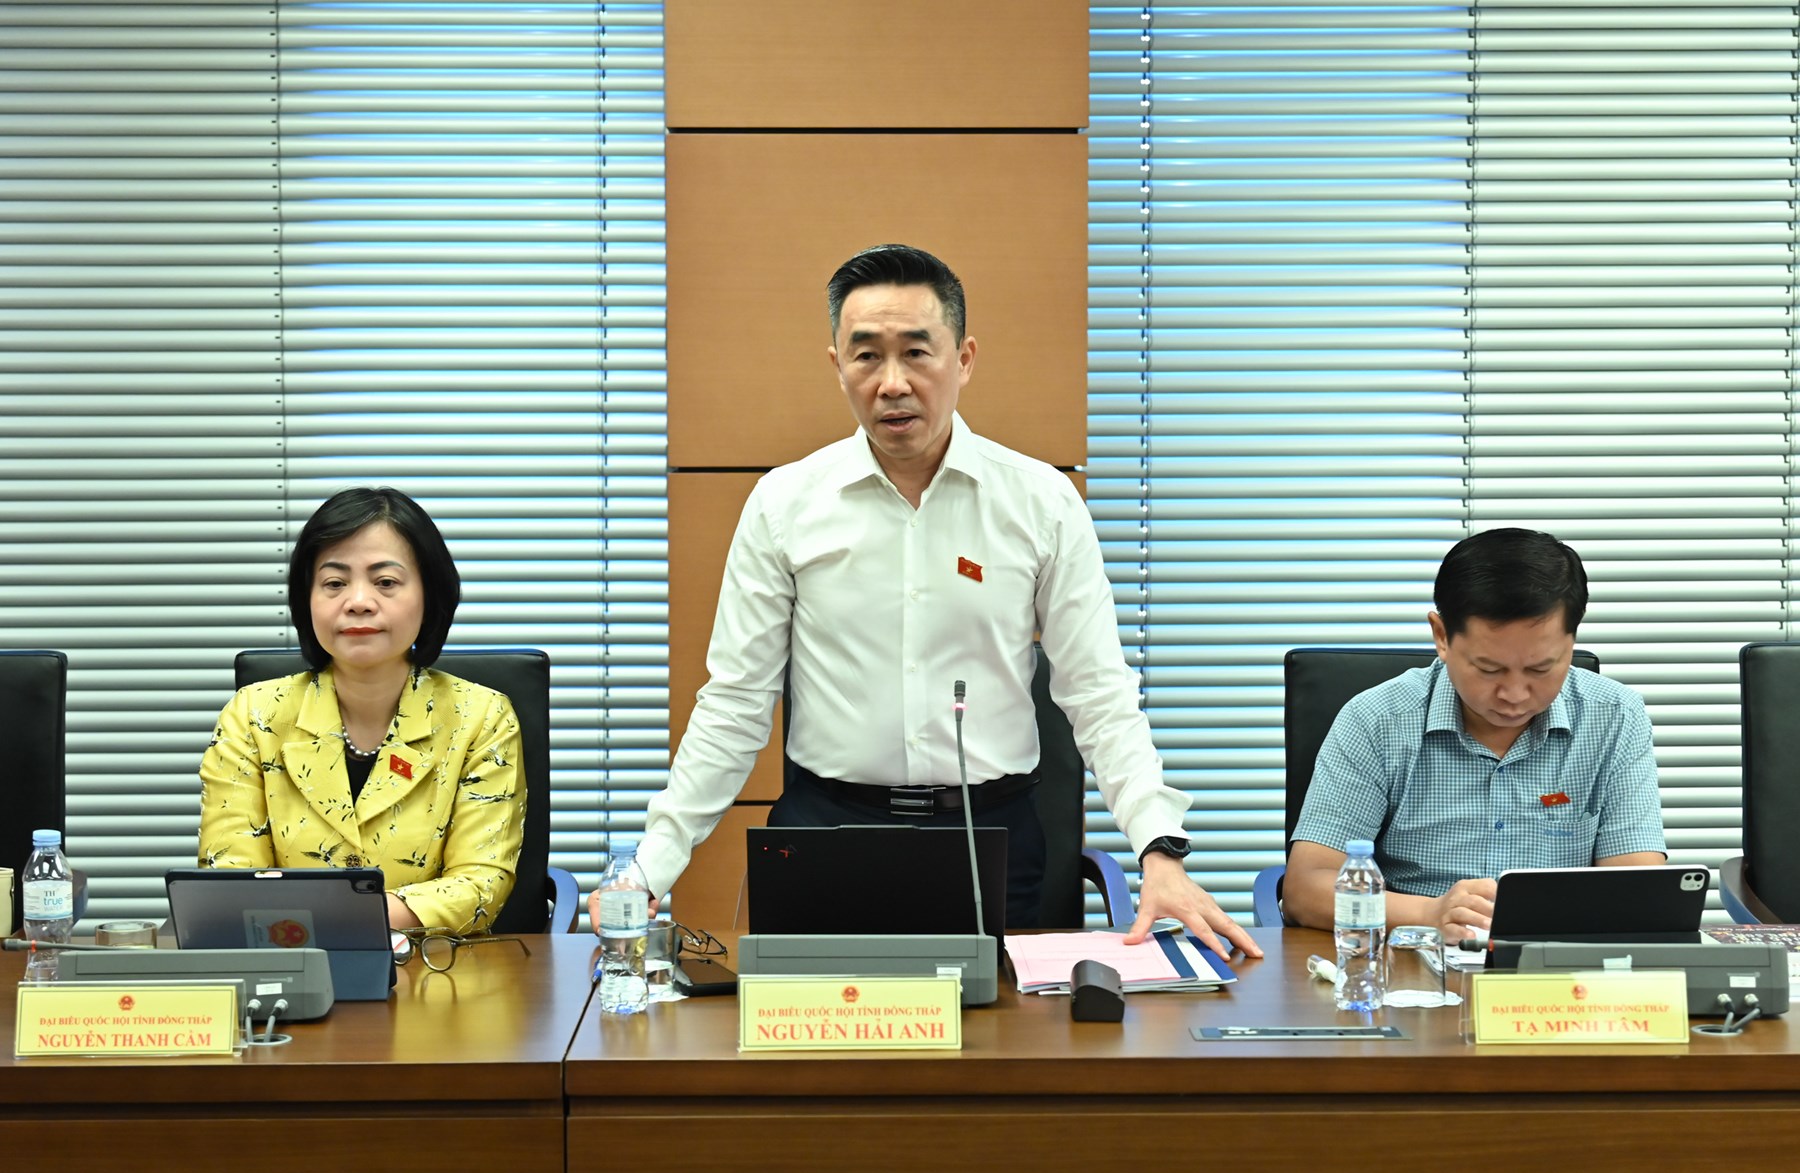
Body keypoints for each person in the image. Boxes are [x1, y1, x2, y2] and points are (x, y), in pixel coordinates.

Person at [593, 243, 1258, 957]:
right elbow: (735, 702)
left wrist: (1160, 850)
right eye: (866, 356)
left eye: (916, 353)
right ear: (836, 366)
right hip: (827, 834)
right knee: (814, 1030)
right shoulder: (784, 504)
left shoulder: (1041, 502)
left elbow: (1098, 692)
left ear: (963, 359)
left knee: (998, 1031)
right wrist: (648, 868)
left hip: (989, 838)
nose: (892, 383)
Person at [1284, 527, 1666, 942]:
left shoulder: (1615, 717)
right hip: (1416, 961)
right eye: (1489, 669)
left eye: (1540, 668)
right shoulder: (1377, 720)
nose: (1514, 694)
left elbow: (1637, 890)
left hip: (1556, 965)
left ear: (1571, 642)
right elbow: (1306, 889)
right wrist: (1430, 913)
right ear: (1442, 636)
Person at [198, 487, 525, 933]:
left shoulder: (481, 717)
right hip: (289, 957)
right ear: (306, 598)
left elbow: (480, 884)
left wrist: (335, 917)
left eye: (385, 582)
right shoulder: (254, 714)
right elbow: (230, 876)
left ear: (429, 594)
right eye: (334, 583)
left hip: (433, 962)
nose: (358, 601)